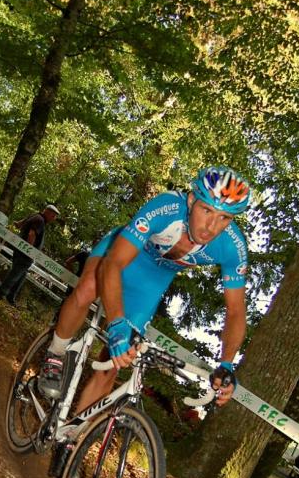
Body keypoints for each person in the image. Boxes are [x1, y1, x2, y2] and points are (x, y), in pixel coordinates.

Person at [37, 166, 251, 412]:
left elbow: (235, 310)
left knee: (116, 362)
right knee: (87, 288)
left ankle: (73, 437)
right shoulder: (166, 208)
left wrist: (226, 364)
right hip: (122, 253)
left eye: (224, 218)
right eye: (207, 210)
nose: (211, 227)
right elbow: (113, 263)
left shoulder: (233, 246)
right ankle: (56, 352)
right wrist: (115, 321)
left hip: (153, 279)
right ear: (192, 201)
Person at [0, 204, 61, 305]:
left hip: (19, 250)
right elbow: (31, 234)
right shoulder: (40, 220)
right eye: (53, 215)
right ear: (48, 212)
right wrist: (29, 251)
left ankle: (11, 296)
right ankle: (0, 293)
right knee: (16, 273)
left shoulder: (33, 216)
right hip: (25, 253)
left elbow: (18, 224)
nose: (54, 218)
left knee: (22, 275)